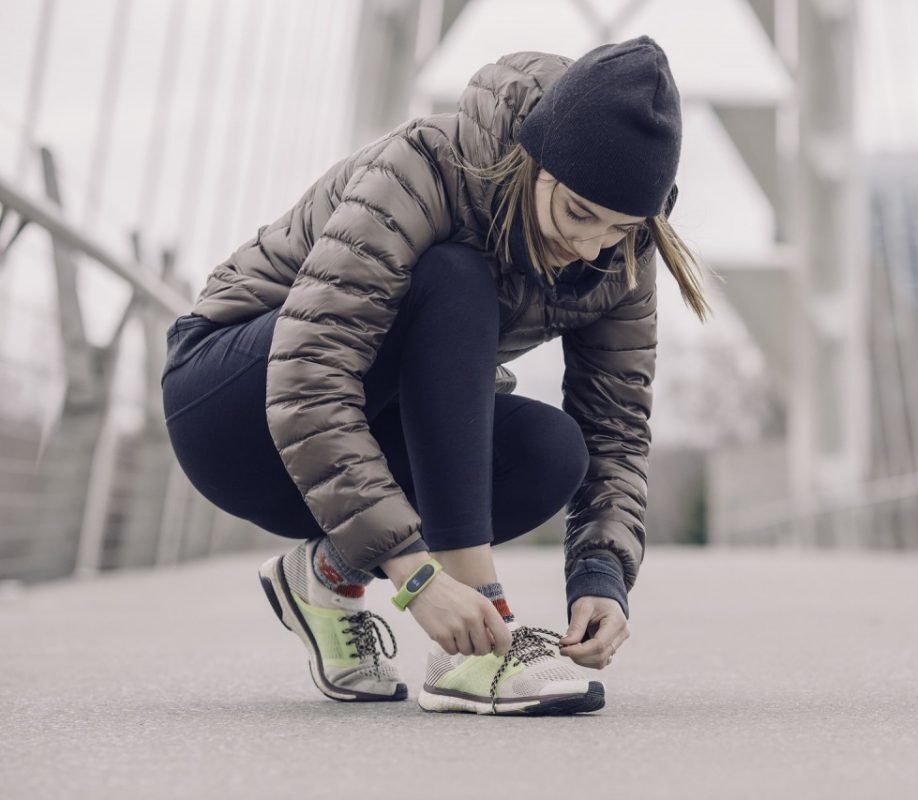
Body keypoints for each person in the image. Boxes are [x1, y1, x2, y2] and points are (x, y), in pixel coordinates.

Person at [161, 35, 710, 716]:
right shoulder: (428, 166)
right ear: (533, 159)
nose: (592, 244)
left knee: (551, 452)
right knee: (454, 274)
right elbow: (309, 375)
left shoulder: (619, 253)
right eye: (578, 213)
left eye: (623, 228)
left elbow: (616, 428)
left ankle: (327, 572)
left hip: (346, 444)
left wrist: (603, 575)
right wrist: (417, 576)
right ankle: (479, 637)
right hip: (229, 408)